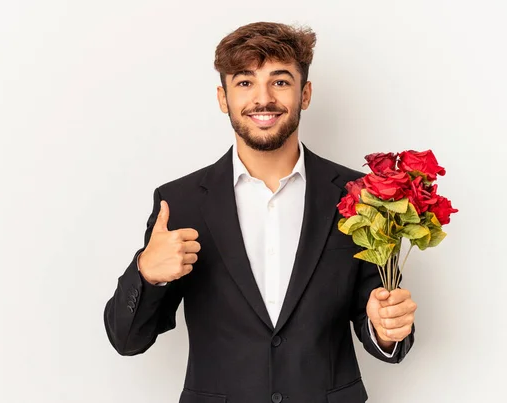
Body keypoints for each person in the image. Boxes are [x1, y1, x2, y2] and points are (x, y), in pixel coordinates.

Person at [104, 21, 417, 403]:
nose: (263, 98)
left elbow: (381, 321)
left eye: (281, 82)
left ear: (305, 94)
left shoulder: (362, 197)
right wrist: (147, 273)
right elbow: (128, 339)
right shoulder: (180, 202)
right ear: (224, 98)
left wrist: (386, 328)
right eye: (245, 82)